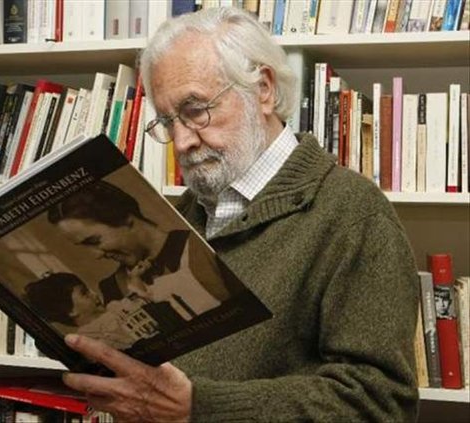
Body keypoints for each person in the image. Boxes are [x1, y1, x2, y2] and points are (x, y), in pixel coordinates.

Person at [60, 7, 420, 422]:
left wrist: (200, 407)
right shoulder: (184, 214)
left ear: (263, 89)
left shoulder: (352, 213)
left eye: (196, 110)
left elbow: (381, 402)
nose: (182, 142)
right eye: (167, 121)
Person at [48, 180, 229, 328]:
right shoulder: (112, 287)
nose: (96, 255)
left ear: (126, 218)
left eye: (94, 241)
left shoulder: (201, 246)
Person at [24, 272, 159, 350]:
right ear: (70, 311)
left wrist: (135, 279)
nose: (94, 294)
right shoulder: (89, 339)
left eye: (89, 289)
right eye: (85, 293)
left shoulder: (113, 307)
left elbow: (141, 299)